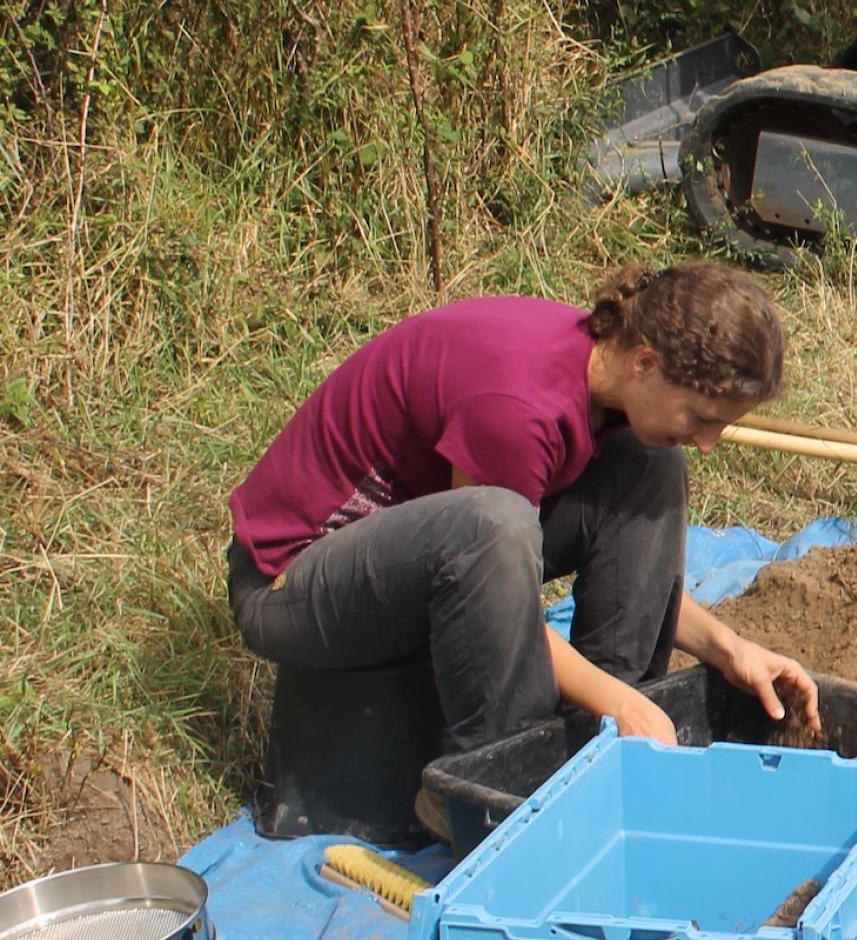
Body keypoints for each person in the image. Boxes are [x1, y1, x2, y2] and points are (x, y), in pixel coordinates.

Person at [228, 263, 822, 763]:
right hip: (293, 586)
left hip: (413, 554)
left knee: (649, 467)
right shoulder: (520, 408)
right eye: (699, 416)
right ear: (645, 363)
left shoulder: (602, 370)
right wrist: (618, 701)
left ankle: (605, 747)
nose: (709, 441)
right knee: (494, 525)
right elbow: (488, 578)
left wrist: (727, 648)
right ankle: (499, 772)